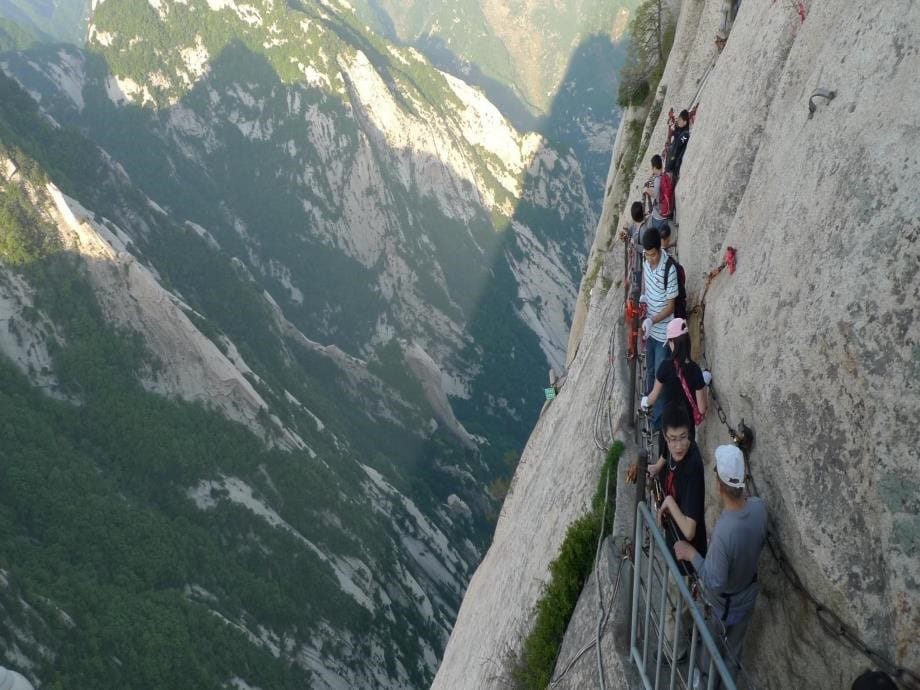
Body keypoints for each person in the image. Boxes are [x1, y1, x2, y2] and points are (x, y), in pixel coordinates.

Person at [675, 445, 767, 687]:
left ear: (718, 485)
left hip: (723, 606)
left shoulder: (725, 531)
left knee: (712, 647)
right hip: (747, 598)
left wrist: (691, 553)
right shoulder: (759, 508)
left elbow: (714, 580)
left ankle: (704, 682)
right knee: (734, 651)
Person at [648, 405, 707, 661]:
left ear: (690, 434)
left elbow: (691, 529)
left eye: (683, 437)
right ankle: (689, 635)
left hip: (686, 552)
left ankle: (676, 654)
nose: (678, 445)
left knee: (673, 607)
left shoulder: (692, 468)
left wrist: (669, 503)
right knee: (683, 604)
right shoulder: (670, 451)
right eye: (672, 439)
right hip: (674, 542)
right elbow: (664, 467)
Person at [641, 317, 708, 434]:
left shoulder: (665, 366)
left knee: (667, 449)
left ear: (672, 342)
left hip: (669, 422)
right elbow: (702, 409)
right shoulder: (696, 370)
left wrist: (646, 402)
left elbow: (654, 396)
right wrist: (704, 383)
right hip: (687, 426)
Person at [640, 228, 677, 412]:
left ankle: (657, 421)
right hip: (651, 331)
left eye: (653, 254)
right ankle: (650, 407)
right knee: (650, 372)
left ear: (659, 249)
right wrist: (643, 297)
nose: (650, 259)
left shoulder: (669, 269)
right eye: (647, 255)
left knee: (659, 380)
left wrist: (652, 320)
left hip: (663, 335)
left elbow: (670, 306)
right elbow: (646, 282)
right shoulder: (645, 261)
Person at [643, 155, 670, 230]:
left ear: (654, 167)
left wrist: (646, 189)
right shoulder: (665, 175)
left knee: (649, 229)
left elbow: (654, 195)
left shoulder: (657, 179)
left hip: (659, 215)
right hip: (666, 207)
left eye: (652, 167)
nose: (651, 169)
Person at [667, 109, 691, 180]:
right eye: (678, 119)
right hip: (670, 162)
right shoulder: (679, 130)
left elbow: (677, 150)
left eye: (680, 120)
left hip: (672, 166)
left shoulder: (685, 134)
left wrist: (670, 166)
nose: (678, 121)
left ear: (685, 122)